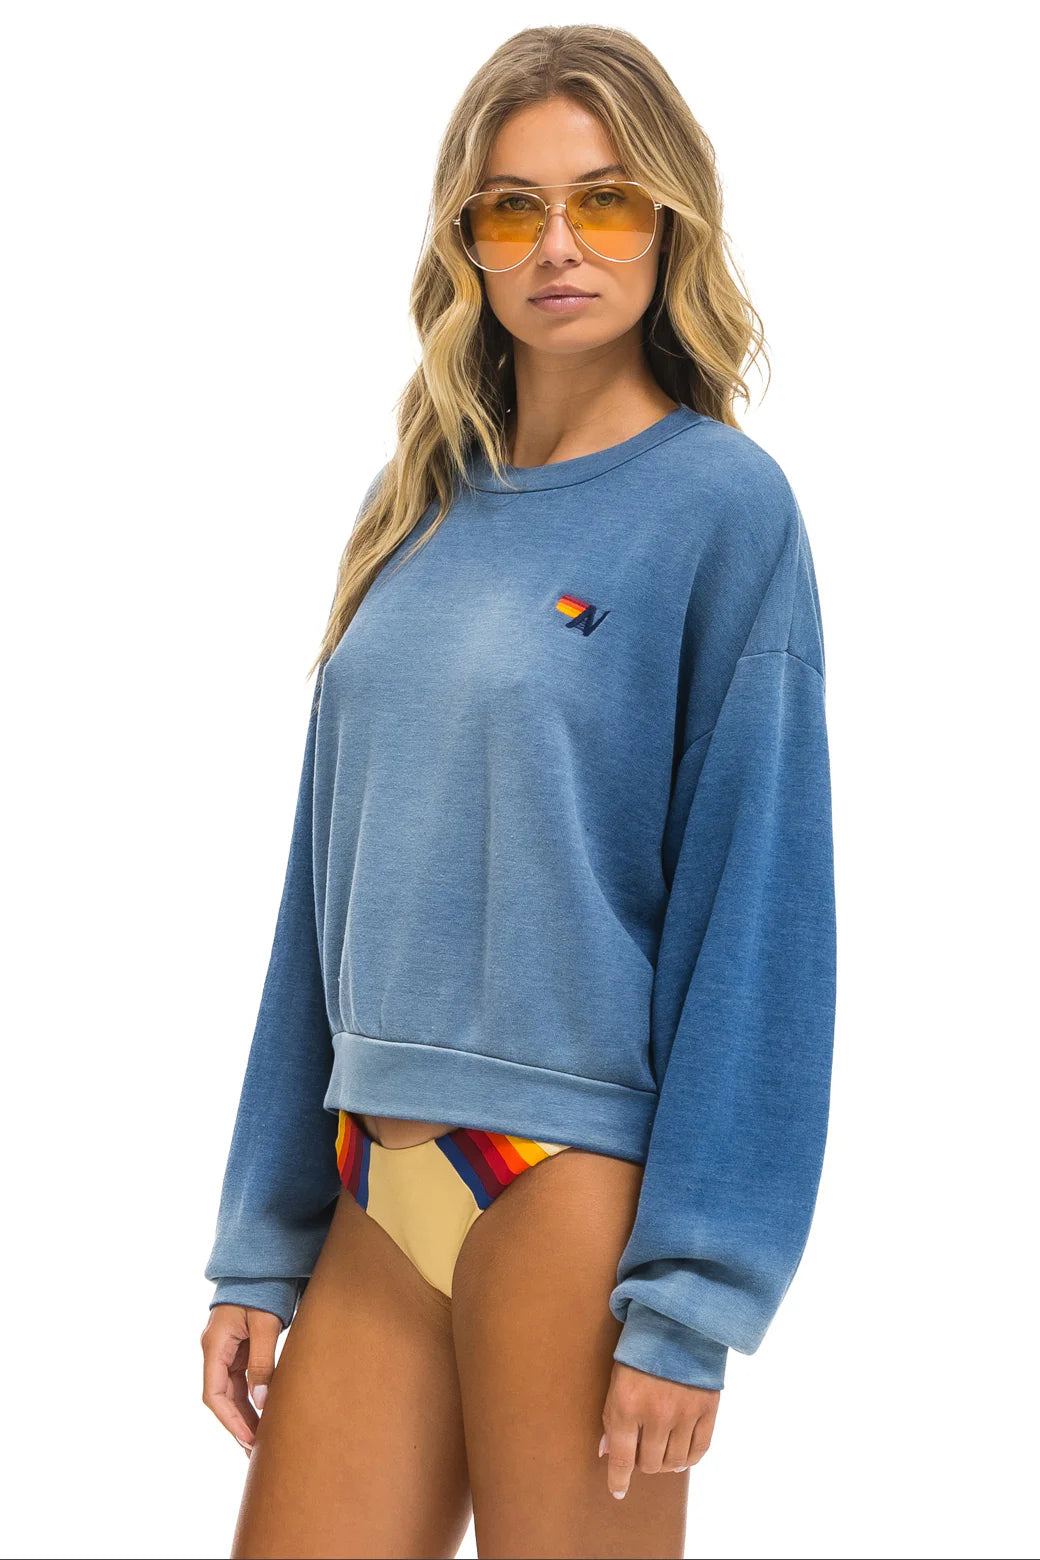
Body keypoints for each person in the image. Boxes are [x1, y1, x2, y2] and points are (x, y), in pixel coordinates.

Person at [200, 23, 836, 1560]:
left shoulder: (720, 506)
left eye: (604, 200)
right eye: (513, 208)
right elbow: (321, 884)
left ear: (669, 222)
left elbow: (759, 913)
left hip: (566, 1192)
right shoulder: (412, 504)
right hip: (372, 1182)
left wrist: (692, 1302)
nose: (559, 245)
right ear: (465, 240)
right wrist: (260, 1240)